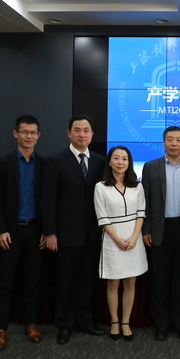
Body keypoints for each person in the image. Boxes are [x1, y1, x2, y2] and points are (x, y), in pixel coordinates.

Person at [41, 114, 106, 344]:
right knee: (66, 282)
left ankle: (85, 321)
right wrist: (50, 232)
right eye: (77, 130)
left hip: (93, 234)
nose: (82, 134)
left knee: (87, 281)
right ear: (69, 133)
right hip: (65, 234)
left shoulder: (100, 161)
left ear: (92, 134)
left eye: (86, 130)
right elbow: (47, 199)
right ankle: (65, 324)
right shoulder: (56, 160)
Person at [0, 115, 46, 351]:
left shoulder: (44, 164)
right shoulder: (2, 163)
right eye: (24, 132)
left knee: (33, 280)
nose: (29, 136)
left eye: (33, 132)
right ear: (16, 134)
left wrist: (47, 230)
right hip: (10, 231)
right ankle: (1, 329)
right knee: (5, 281)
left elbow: (48, 200)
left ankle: (30, 323)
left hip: (35, 230)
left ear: (38, 135)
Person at [141, 126, 180, 341]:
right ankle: (161, 324)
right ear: (164, 142)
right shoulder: (151, 167)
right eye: (170, 139)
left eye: (178, 140)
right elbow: (145, 200)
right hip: (159, 230)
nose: (174, 143)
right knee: (159, 279)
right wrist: (146, 229)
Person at [94, 146, 147, 342]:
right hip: (112, 239)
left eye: (124, 159)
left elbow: (141, 213)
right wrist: (117, 239)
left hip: (134, 239)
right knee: (113, 283)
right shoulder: (101, 187)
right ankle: (114, 321)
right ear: (109, 162)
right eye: (116, 158)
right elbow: (102, 217)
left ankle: (126, 322)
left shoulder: (137, 186)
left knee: (130, 283)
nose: (120, 162)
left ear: (129, 162)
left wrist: (134, 237)